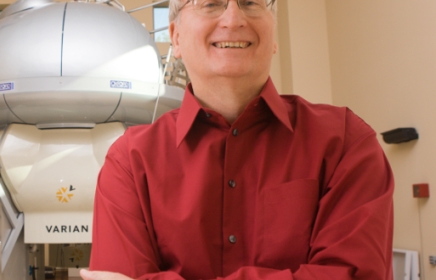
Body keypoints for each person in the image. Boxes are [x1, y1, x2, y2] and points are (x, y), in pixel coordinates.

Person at [80, 0, 394, 279]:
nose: (233, 18)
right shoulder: (130, 162)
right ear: (175, 37)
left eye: (251, 2)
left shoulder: (345, 143)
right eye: (211, 4)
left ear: (273, 36)